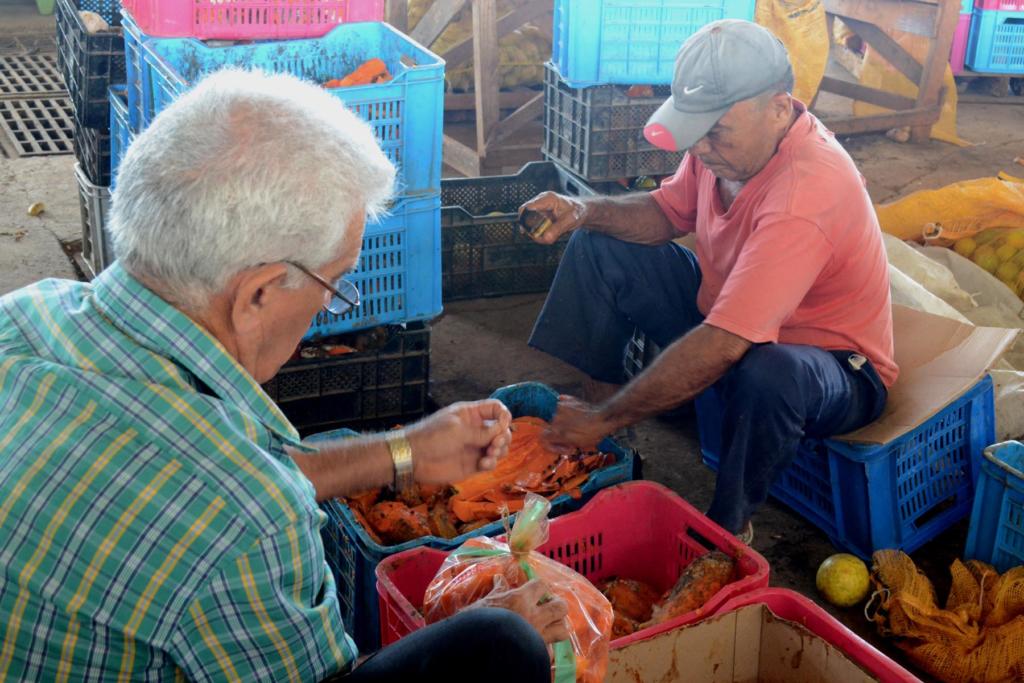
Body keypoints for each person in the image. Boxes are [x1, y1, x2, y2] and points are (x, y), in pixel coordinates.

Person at [0, 70, 565, 682]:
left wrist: (405, 451)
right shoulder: (248, 522)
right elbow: (236, 495)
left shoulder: (25, 317)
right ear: (259, 293)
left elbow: (222, 467)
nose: (329, 303)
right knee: (499, 643)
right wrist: (486, 620)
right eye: (334, 280)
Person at [522, 20, 897, 541]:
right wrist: (582, 210)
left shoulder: (806, 192)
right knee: (599, 244)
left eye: (716, 130)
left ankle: (728, 529)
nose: (700, 146)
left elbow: (724, 344)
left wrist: (603, 416)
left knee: (770, 372)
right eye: (694, 129)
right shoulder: (724, 151)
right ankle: (605, 447)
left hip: (829, 368)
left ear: (779, 108)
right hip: (732, 318)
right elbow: (666, 213)